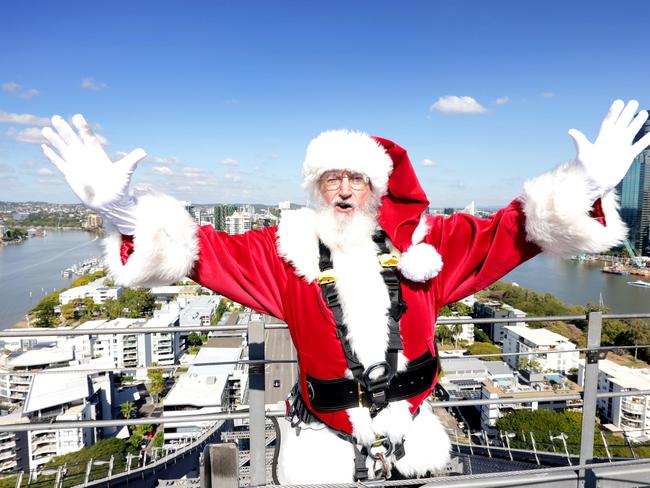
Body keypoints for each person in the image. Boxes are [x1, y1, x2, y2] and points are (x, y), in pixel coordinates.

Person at [42, 100, 649, 483]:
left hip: (413, 433)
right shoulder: (282, 254)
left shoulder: (429, 249)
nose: (341, 190)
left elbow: (512, 233)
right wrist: (123, 213)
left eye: (355, 178)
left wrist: (584, 186)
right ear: (315, 188)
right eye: (330, 178)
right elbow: (199, 252)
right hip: (321, 443)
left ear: (378, 189)